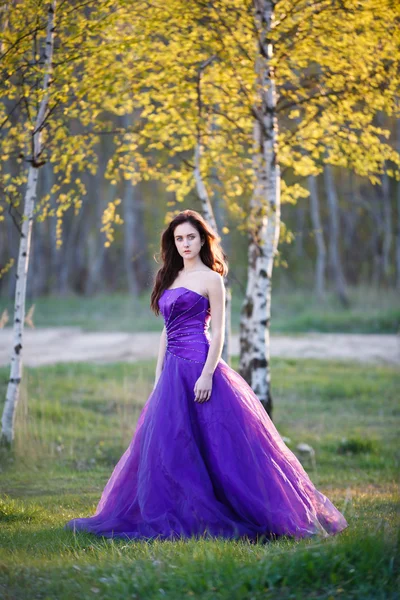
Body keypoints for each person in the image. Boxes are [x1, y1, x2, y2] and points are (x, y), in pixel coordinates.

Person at [65, 209, 349, 542]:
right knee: (170, 444)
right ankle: (177, 508)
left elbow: (218, 334)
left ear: (202, 240)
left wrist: (207, 374)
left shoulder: (212, 279)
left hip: (200, 367)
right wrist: (158, 375)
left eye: (191, 237)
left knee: (221, 446)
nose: (185, 244)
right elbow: (165, 331)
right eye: (179, 238)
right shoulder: (169, 277)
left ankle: (244, 509)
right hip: (172, 372)